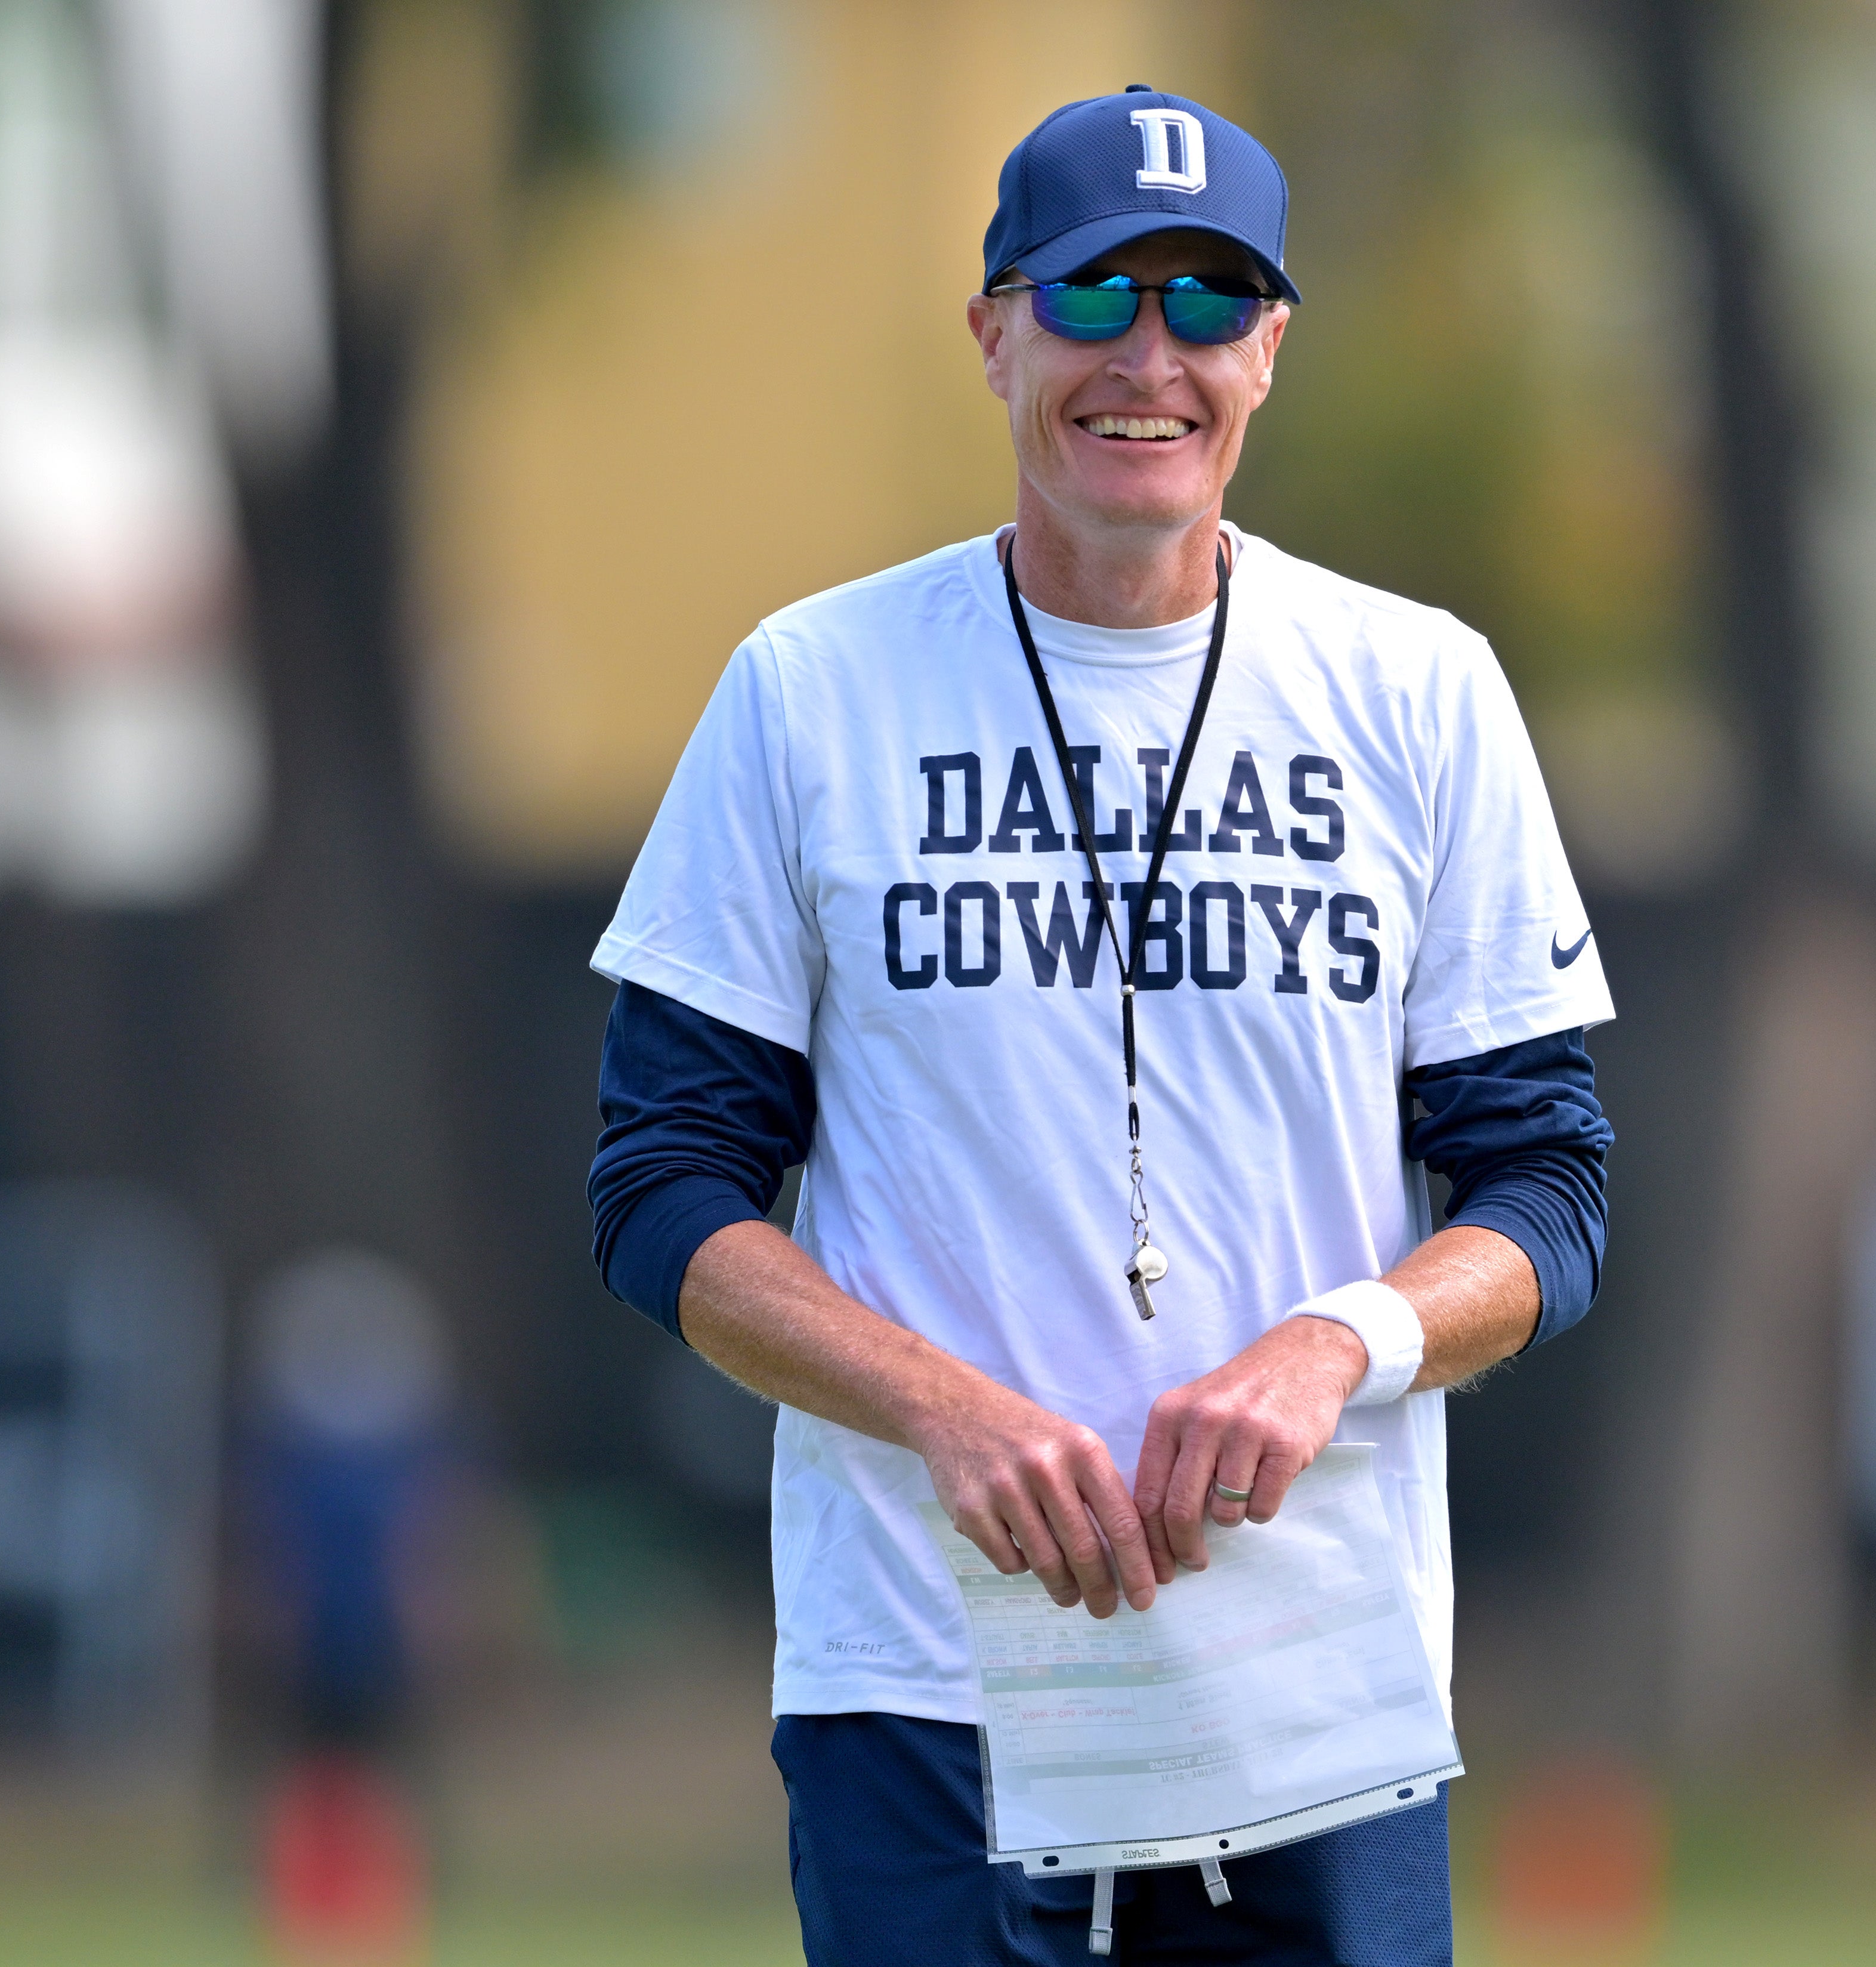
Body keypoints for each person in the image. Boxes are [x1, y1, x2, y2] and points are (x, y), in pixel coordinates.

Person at [586, 84, 1614, 1965]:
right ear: (993, 332)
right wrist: (940, 1407)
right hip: (925, 1663)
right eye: (1094, 297)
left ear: (1273, 349)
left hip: (1310, 1682)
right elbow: (662, 1190)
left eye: (1211, 306)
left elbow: (1549, 1187)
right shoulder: (811, 689)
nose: (1152, 359)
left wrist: (1338, 1342)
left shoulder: (1421, 689)